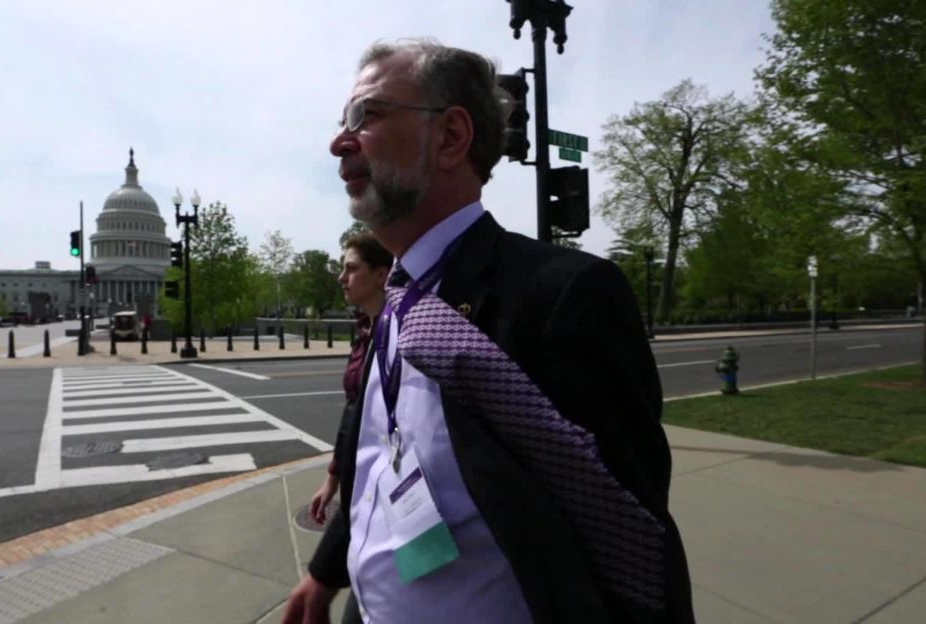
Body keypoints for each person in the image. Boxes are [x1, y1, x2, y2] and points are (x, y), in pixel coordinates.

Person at [283, 39, 693, 624]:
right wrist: (325, 576)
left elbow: (630, 542)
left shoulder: (564, 296)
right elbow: (382, 465)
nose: (339, 141)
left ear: (450, 137)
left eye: (365, 116)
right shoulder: (396, 302)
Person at [309, 233, 393, 525]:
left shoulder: (401, 333)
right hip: (357, 476)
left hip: (390, 484)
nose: (341, 277)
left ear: (381, 275)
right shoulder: (364, 334)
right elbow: (352, 414)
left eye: (352, 268)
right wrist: (332, 478)